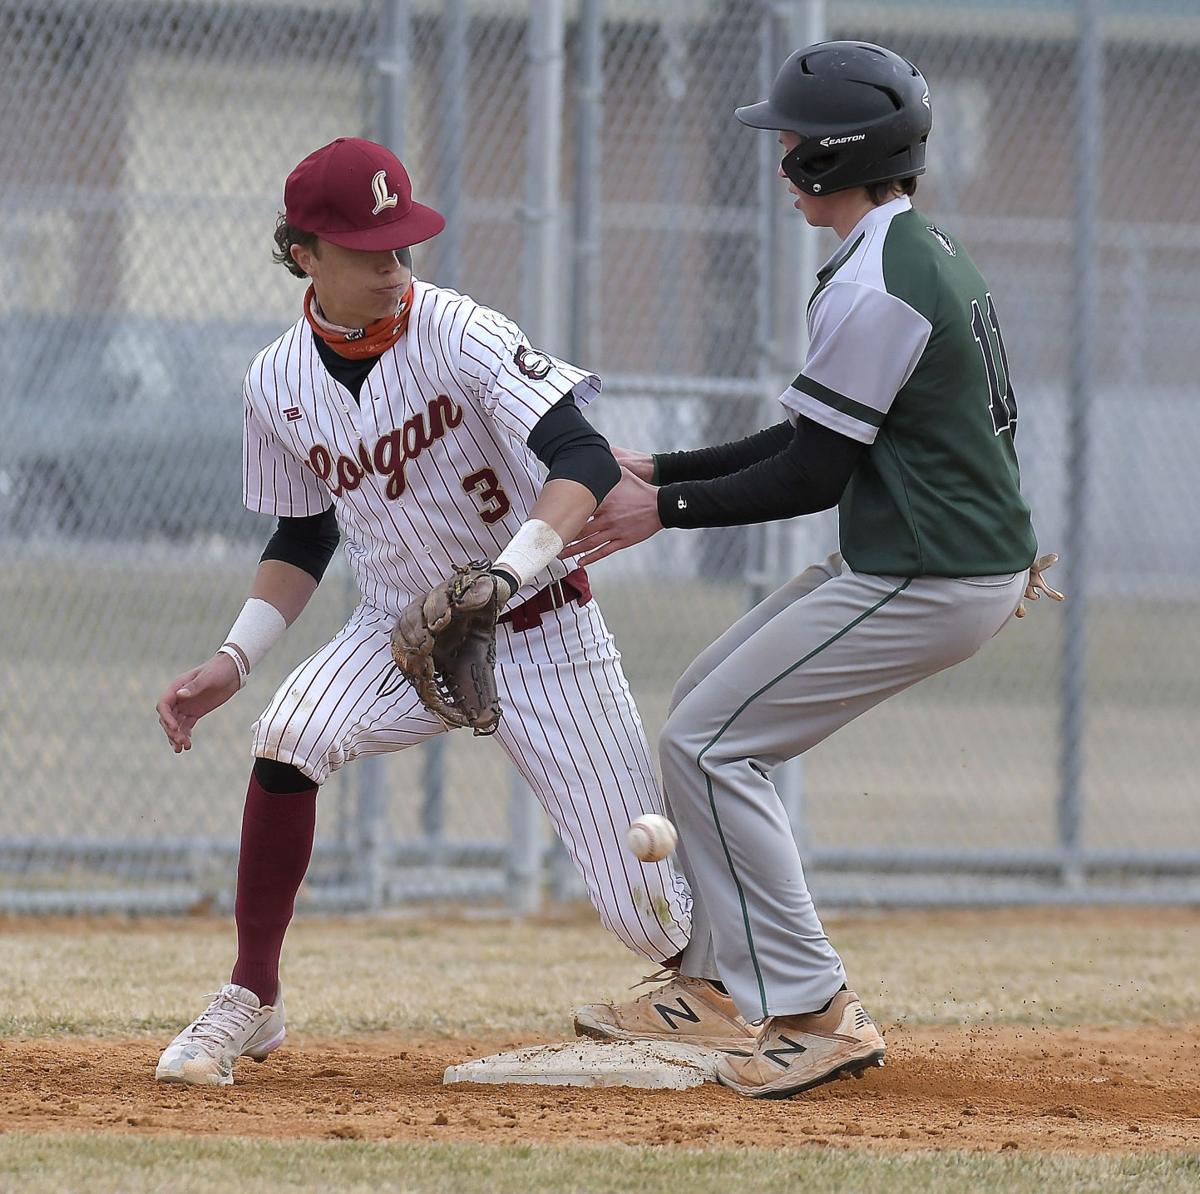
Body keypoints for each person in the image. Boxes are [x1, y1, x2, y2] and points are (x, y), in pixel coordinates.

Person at [152, 136, 754, 1086]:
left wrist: (504, 579)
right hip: (399, 630)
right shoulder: (275, 381)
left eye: (402, 244)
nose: (395, 266)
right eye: (368, 250)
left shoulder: (460, 332)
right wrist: (234, 657)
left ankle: (723, 993)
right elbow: (302, 541)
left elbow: (585, 460)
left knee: (643, 905)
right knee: (290, 731)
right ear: (303, 252)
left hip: (542, 627)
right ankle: (252, 999)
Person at [564, 41, 1062, 1099]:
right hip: (922, 554)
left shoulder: (879, 282)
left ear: (839, 156)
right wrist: (660, 466)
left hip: (934, 572)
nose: (780, 156)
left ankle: (814, 1011)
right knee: (702, 708)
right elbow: (807, 433)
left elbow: (812, 472)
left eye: (793, 140)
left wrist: (664, 506)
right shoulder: (903, 252)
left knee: (709, 745)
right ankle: (706, 983)